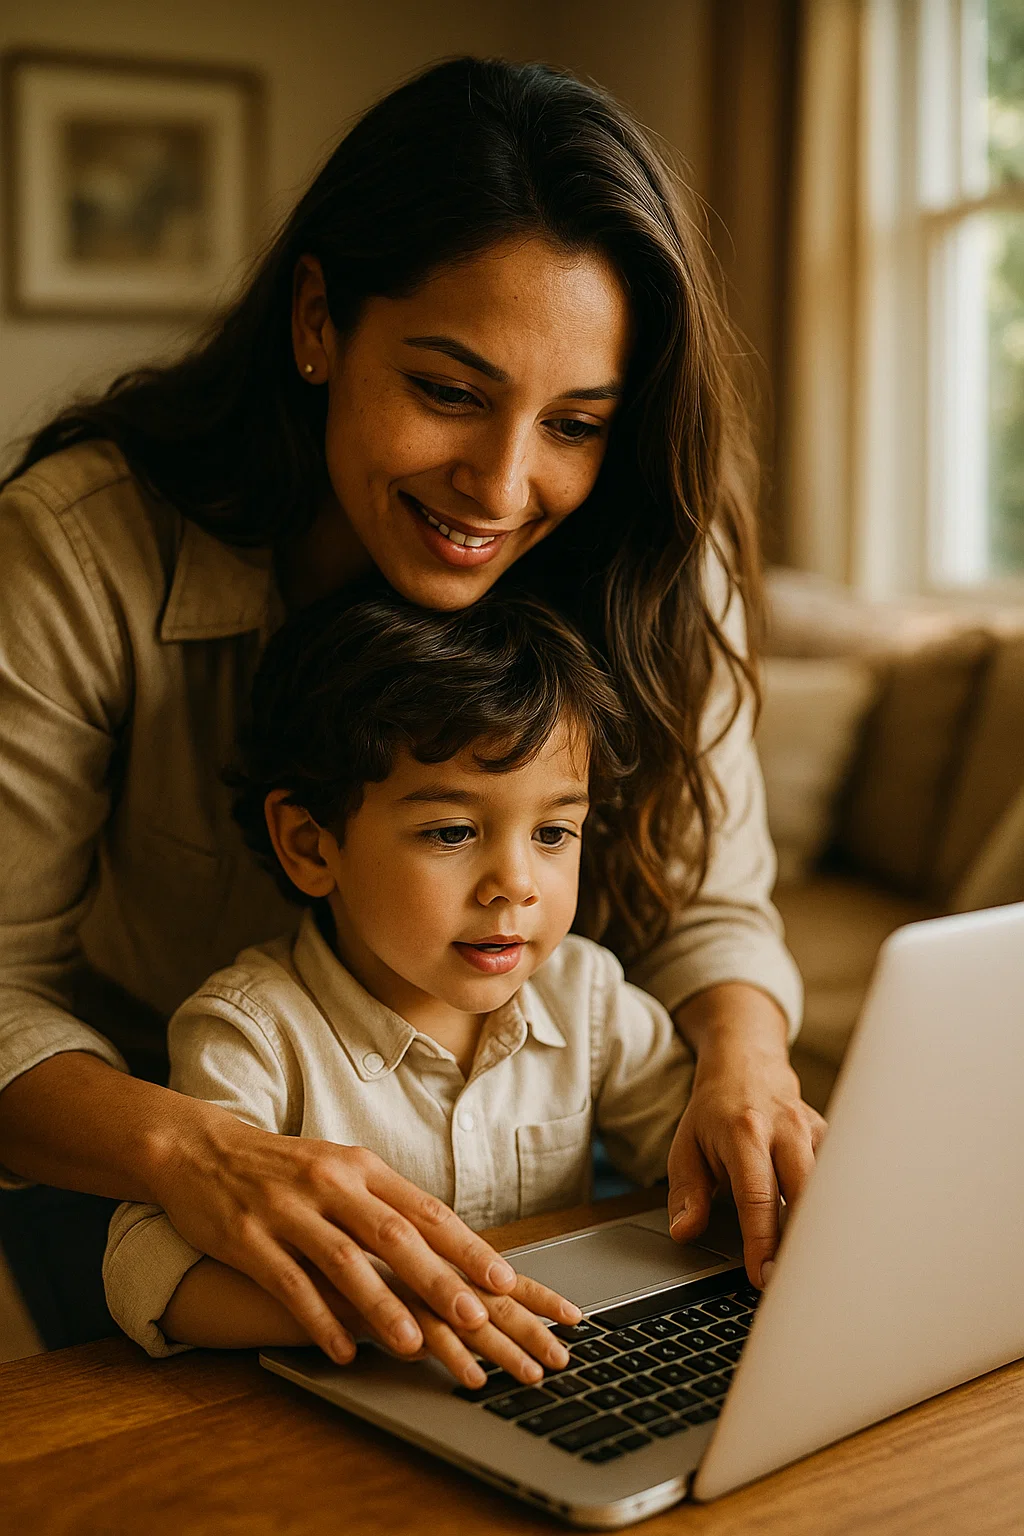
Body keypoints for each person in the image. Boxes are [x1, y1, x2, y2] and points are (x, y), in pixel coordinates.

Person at [0, 56, 823, 1368]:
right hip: (150, 1168)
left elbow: (712, 910)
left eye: (576, 423)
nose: (501, 486)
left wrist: (745, 1068)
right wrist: (203, 1151)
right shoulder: (78, 550)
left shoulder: (659, 557)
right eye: (448, 391)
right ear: (318, 321)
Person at [103, 588, 696, 1381]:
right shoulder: (254, 1032)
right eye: (451, 832)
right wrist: (379, 1309)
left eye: (554, 832)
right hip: (348, 1404)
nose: (515, 885)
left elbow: (694, 1155)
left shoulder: (585, 993)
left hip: (553, 1373)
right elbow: (147, 1268)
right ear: (311, 844)